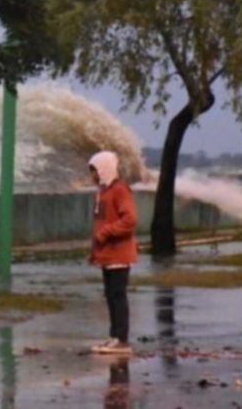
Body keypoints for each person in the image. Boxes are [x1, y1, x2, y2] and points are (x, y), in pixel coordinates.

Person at [87, 151, 137, 355]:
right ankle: (114, 336)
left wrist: (106, 234)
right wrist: (95, 250)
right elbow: (100, 223)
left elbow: (130, 220)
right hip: (107, 255)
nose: (92, 175)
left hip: (119, 254)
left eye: (94, 171)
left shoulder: (119, 190)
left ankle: (122, 339)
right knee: (110, 295)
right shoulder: (102, 192)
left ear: (104, 169)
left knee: (118, 295)